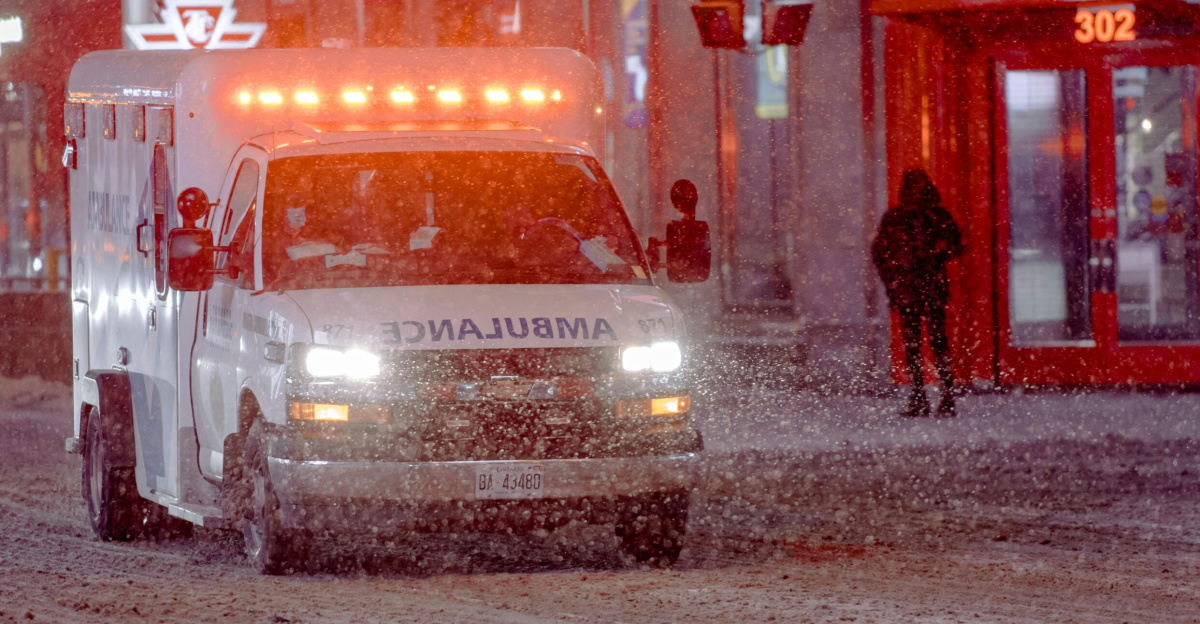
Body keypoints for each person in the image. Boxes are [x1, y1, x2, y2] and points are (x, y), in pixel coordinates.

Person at [872, 168, 964, 418]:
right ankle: (941, 397)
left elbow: (879, 254)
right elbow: (957, 244)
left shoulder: (900, 217)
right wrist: (936, 256)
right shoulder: (932, 216)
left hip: (911, 288)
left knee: (918, 344)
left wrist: (895, 276)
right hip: (922, 287)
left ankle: (923, 397)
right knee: (935, 343)